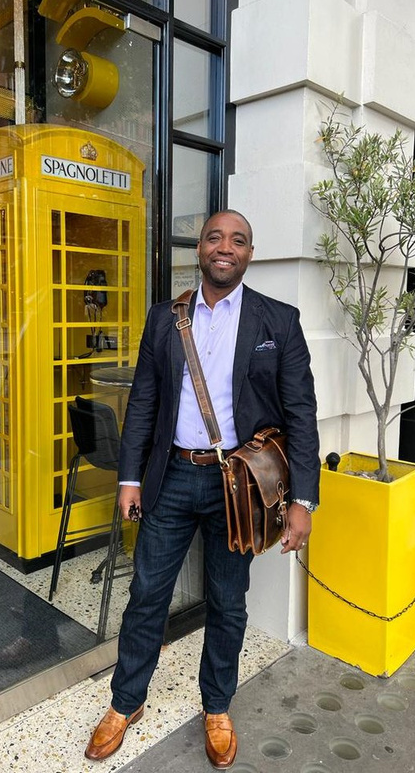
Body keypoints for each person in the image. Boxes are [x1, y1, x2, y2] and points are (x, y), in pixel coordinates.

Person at [85, 210, 320, 769]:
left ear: (249, 254)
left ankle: (216, 706)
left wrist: (302, 502)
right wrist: (129, 477)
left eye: (238, 240)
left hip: (237, 487)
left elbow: (302, 415)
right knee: (147, 595)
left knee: (227, 600)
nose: (225, 247)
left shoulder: (278, 322)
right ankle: (126, 702)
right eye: (216, 237)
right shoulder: (165, 319)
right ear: (200, 248)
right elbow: (143, 401)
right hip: (171, 478)